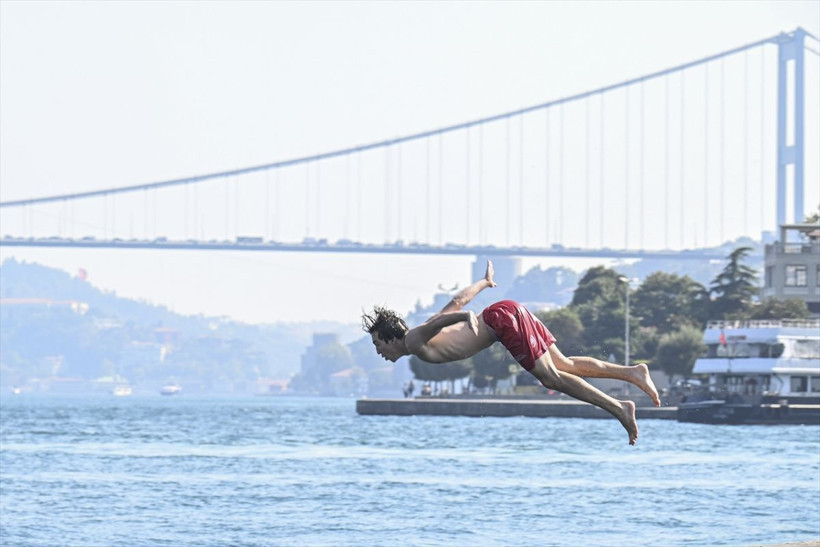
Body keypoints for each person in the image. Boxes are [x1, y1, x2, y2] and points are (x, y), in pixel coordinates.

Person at [361, 260, 660, 446]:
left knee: (552, 378)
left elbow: (446, 317)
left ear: (391, 338)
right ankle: (632, 372)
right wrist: (485, 283)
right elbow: (457, 300)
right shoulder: (420, 335)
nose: (378, 353)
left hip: (501, 322)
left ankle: (619, 408)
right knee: (563, 364)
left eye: (377, 344)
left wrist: (463, 319)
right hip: (506, 311)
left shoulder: (413, 340)